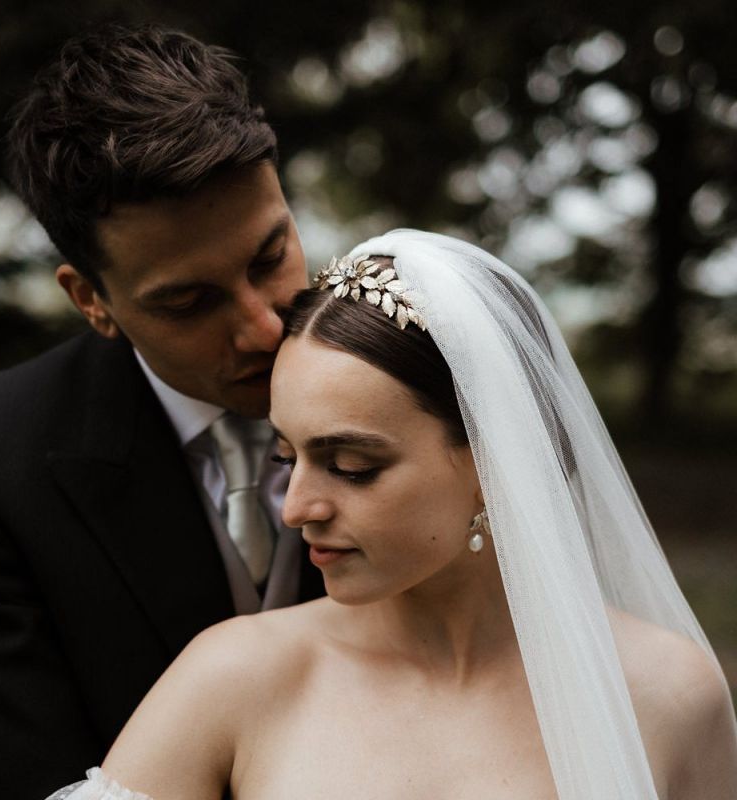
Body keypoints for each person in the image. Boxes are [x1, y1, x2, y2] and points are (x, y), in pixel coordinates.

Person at [47, 230, 737, 800]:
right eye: (286, 456)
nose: (296, 509)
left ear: (494, 466)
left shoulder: (670, 694)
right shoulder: (234, 678)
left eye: (352, 465)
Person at [0, 24, 324, 800]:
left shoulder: (429, 385)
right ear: (91, 300)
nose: (264, 328)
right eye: (188, 302)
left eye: (270, 258)